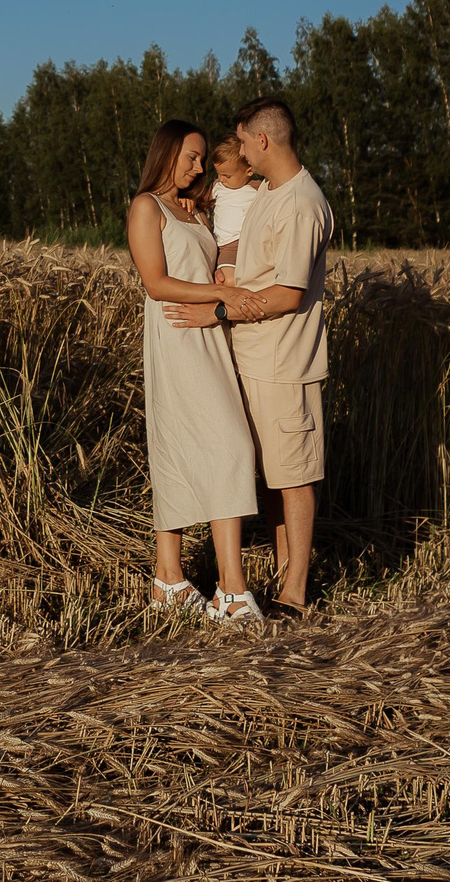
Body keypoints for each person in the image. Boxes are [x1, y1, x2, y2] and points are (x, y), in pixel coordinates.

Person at [165, 95, 332, 614]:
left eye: (241, 141)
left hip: (285, 364)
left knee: (294, 478)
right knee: (275, 479)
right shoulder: (268, 194)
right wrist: (195, 212)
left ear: (261, 140)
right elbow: (239, 240)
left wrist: (216, 312)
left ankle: (294, 595)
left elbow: (288, 294)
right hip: (256, 359)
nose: (237, 151)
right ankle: (283, 580)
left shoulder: (301, 203)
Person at [124, 120, 265, 625]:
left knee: (187, 448)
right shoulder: (146, 207)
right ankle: (231, 590)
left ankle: (169, 580)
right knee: (231, 447)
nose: (199, 166)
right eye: (191, 156)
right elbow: (156, 283)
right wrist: (223, 293)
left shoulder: (194, 209)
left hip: (208, 335)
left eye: (203, 158)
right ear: (166, 154)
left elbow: (244, 202)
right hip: (177, 336)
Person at [207, 137, 262, 271]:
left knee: (231, 277)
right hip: (221, 244)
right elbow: (201, 201)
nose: (221, 179)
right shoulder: (217, 187)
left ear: (249, 171)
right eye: (218, 174)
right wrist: (189, 200)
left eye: (227, 176)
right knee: (223, 277)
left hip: (241, 242)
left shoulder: (258, 188)